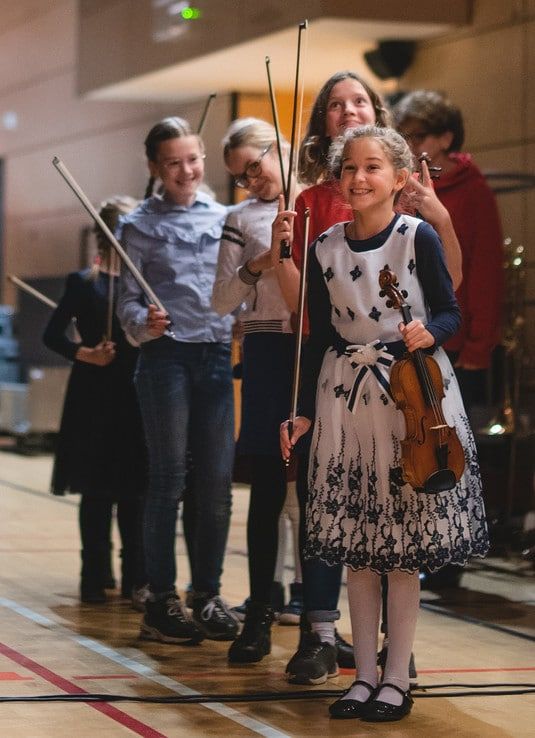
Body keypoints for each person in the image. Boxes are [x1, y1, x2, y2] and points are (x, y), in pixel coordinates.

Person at [279, 125, 489, 722]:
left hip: (412, 396)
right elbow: (319, 336)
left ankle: (397, 676)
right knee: (360, 548)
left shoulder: (415, 235)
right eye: (349, 168)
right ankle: (362, 676)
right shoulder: (323, 247)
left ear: (399, 179)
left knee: (402, 548)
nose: (358, 177)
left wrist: (429, 332)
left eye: (372, 167)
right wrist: (301, 410)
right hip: (346, 398)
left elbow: (449, 312)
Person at [117, 116, 238, 645]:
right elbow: (125, 304)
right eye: (173, 163)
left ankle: (207, 595)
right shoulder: (137, 226)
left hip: (214, 356)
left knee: (214, 484)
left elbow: (239, 287)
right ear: (155, 168)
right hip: (165, 358)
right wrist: (145, 321)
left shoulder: (225, 216)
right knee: (169, 480)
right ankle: (160, 600)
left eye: (193, 159)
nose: (186, 170)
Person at [212, 117, 301, 661]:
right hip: (267, 350)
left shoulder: (323, 199)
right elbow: (220, 301)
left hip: (317, 349)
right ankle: (260, 613)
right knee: (268, 486)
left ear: (279, 149)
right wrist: (260, 263)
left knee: (316, 493)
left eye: (254, 166)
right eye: (241, 178)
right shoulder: (239, 218)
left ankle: (320, 619)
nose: (251, 182)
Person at [43, 196, 147, 606]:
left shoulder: (144, 284)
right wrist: (86, 353)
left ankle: (135, 577)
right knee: (97, 489)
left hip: (135, 392)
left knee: (134, 489)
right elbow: (52, 336)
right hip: (94, 393)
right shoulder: (84, 282)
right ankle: (93, 576)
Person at [392, 90, 503, 415]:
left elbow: (486, 271)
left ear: (446, 138)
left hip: (453, 332)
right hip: (408, 326)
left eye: (419, 136)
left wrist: (478, 345)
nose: (410, 145)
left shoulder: (474, 190)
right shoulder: (404, 184)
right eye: (405, 136)